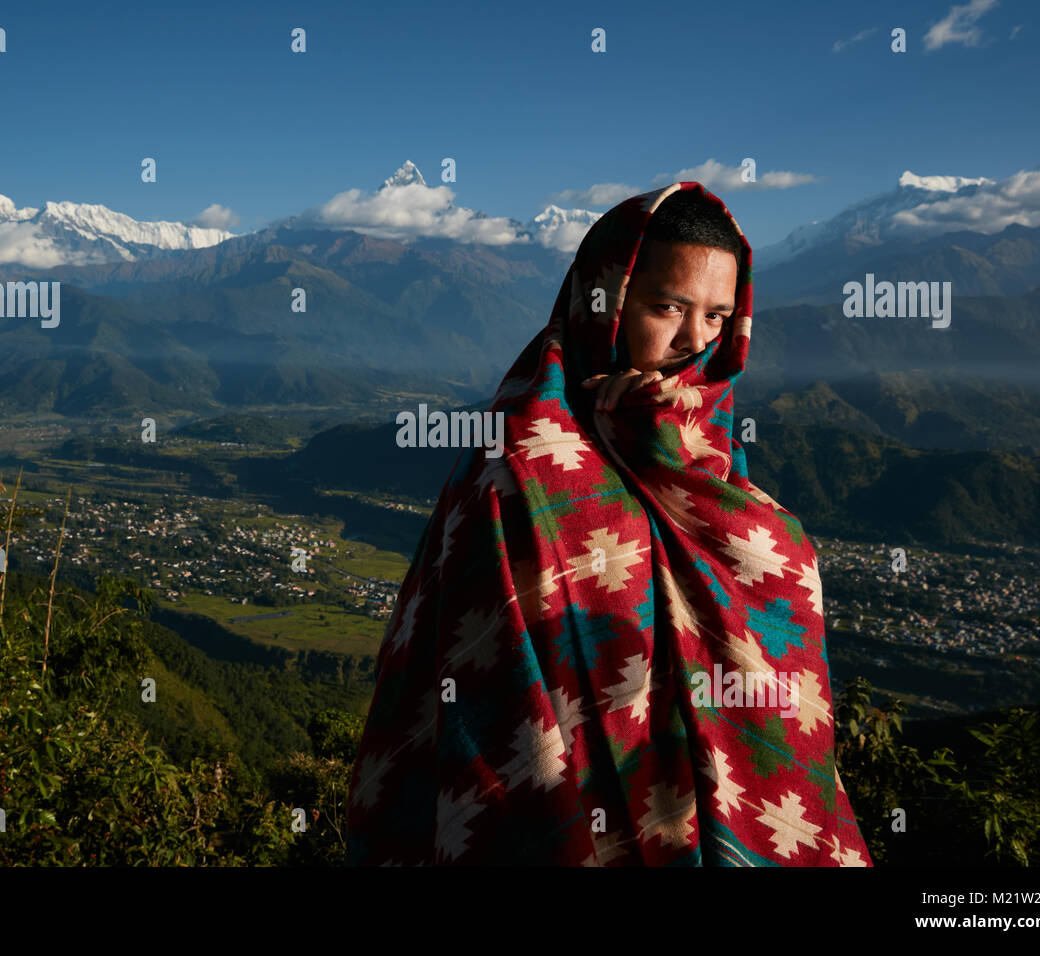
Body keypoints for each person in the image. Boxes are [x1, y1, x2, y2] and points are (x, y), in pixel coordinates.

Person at [345, 183, 873, 866]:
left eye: (717, 316)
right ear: (605, 302)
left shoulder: (710, 456)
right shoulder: (518, 470)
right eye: (667, 308)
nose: (694, 341)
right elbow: (491, 698)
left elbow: (782, 577)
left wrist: (654, 443)